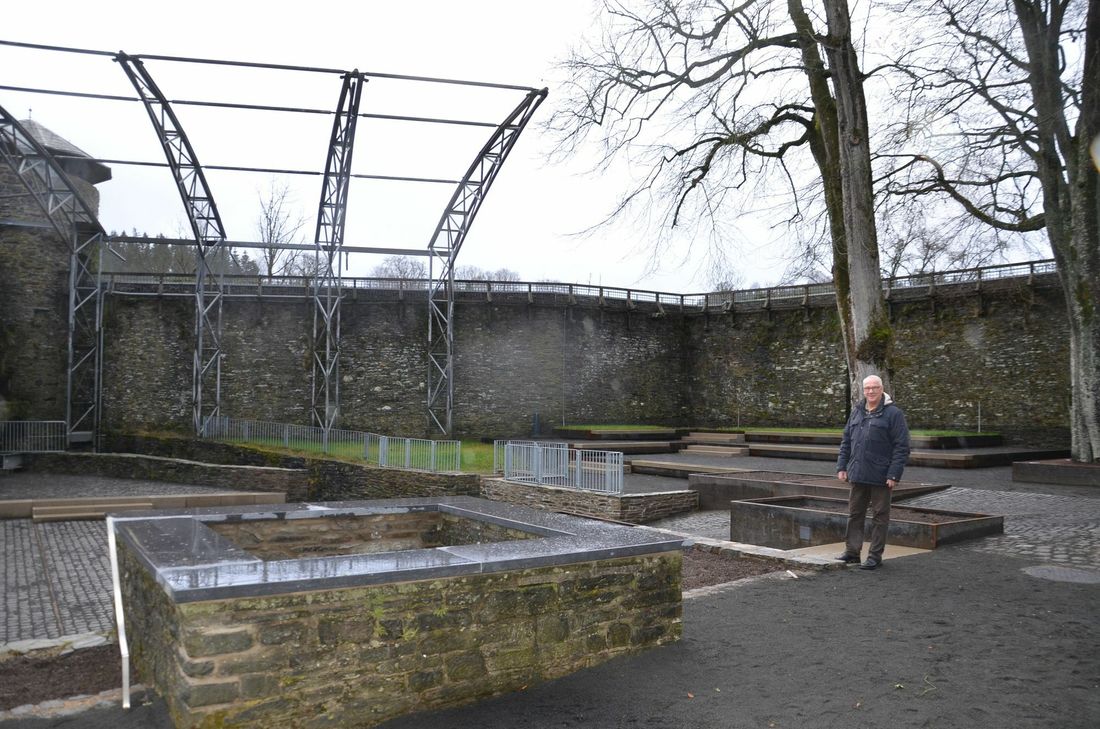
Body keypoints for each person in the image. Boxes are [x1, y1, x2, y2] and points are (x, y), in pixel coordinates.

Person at [835, 374, 911, 571]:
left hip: (881, 476)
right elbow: (846, 441)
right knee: (855, 514)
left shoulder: (893, 414)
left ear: (881, 389)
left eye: (874, 388)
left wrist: (894, 474)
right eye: (867, 388)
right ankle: (852, 552)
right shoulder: (857, 412)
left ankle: (874, 557)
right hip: (858, 473)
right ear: (863, 390)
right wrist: (842, 466)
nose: (870, 391)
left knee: (880, 517)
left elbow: (902, 446)